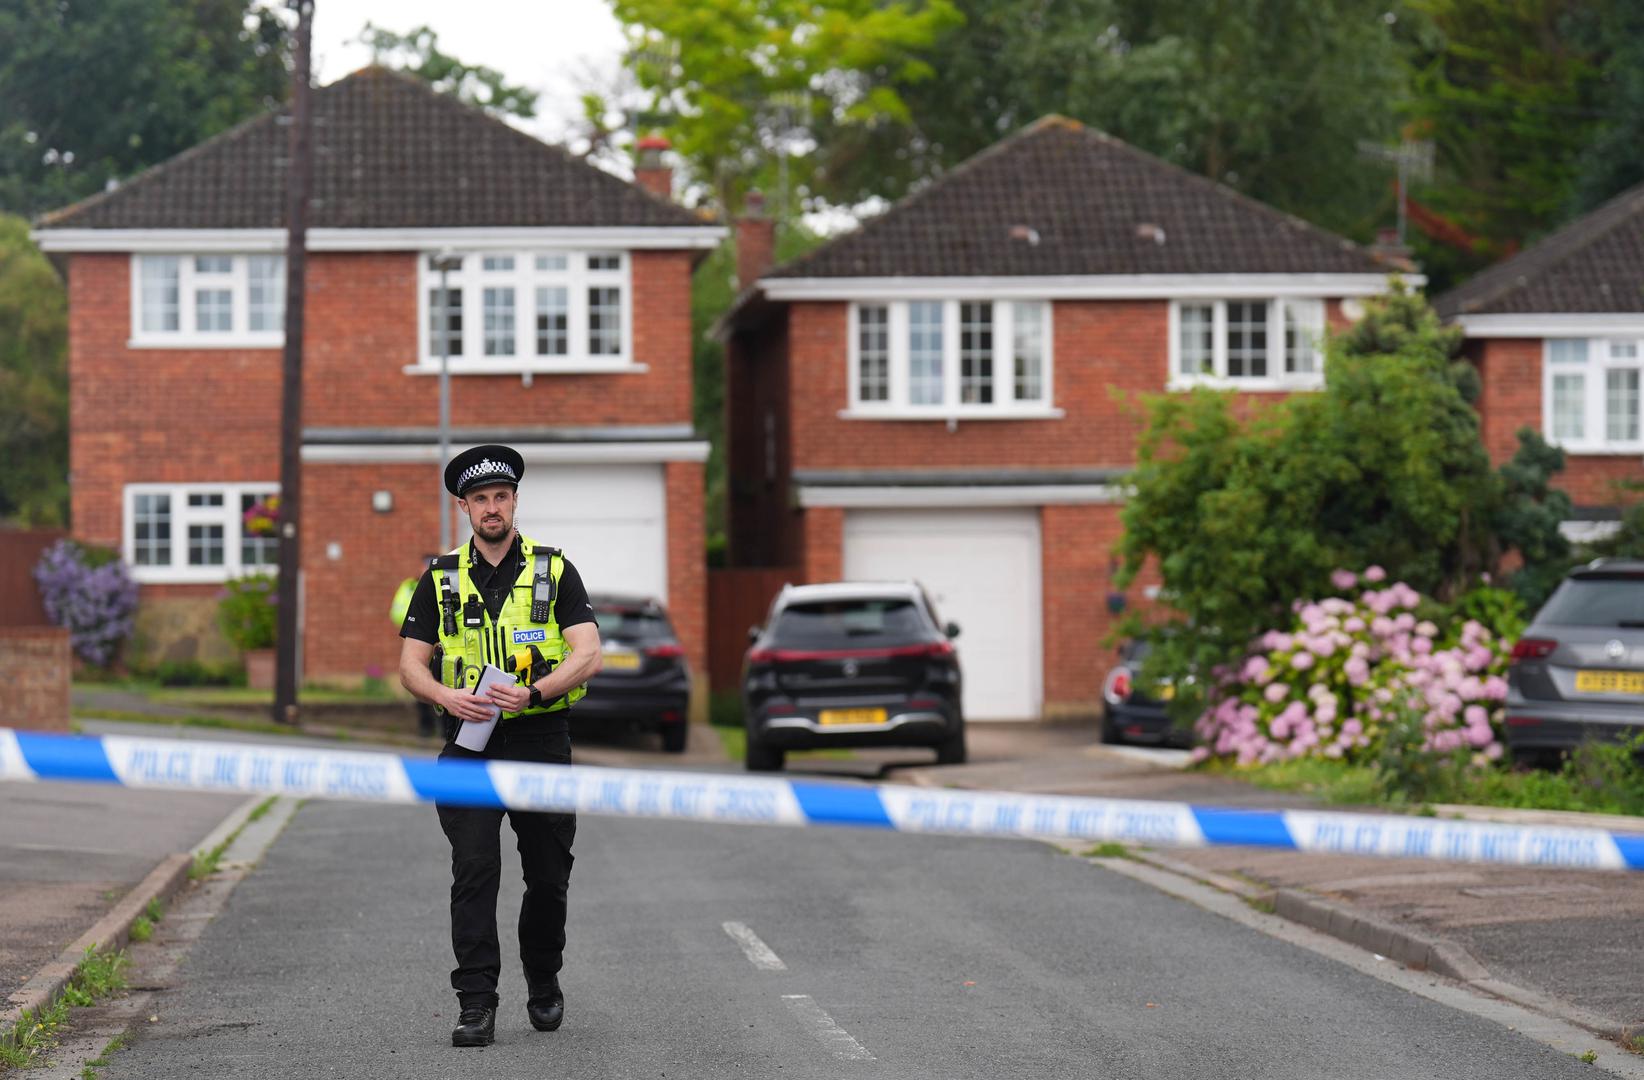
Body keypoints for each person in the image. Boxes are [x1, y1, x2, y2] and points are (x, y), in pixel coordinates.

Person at [397, 444, 602, 1048]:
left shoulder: (553, 569)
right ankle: (476, 1002)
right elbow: (411, 666)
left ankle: (544, 978)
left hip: (540, 737)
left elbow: (588, 652)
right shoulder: (438, 579)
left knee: (548, 874)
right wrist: (446, 695)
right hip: (467, 743)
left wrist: (536, 693)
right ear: (463, 506)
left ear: (515, 501)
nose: (492, 508)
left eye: (501, 497)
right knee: (475, 869)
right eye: (480, 498)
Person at [391, 556, 440, 738]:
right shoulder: (410, 586)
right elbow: (396, 612)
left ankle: (443, 728)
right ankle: (425, 726)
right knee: (421, 681)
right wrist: (420, 622)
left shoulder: (446, 582)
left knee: (443, 682)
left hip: (442, 645)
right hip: (418, 638)